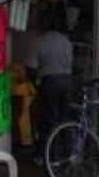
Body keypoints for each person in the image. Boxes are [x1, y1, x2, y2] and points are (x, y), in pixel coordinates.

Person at [26, 10, 72, 166]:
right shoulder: (66, 41)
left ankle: (51, 157)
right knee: (65, 119)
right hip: (67, 82)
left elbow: (31, 68)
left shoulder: (39, 42)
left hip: (50, 83)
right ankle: (68, 154)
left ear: (44, 25)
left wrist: (35, 83)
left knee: (49, 121)